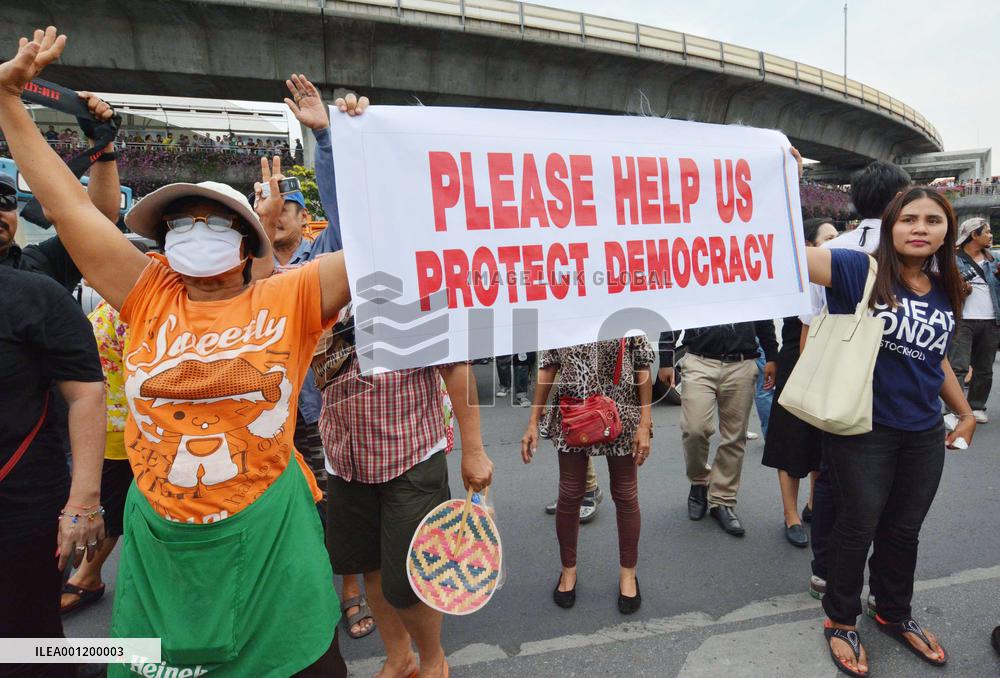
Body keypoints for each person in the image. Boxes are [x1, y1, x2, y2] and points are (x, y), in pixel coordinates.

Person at [0, 28, 362, 676]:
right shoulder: (147, 292)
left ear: (246, 242)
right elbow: (67, 206)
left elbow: (381, 241)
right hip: (164, 547)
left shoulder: (290, 295)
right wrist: (8, 103)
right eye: (179, 223)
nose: (195, 233)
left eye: (213, 221)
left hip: (271, 540)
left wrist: (347, 144)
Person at [286, 73, 494, 677]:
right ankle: (398, 657)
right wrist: (329, 139)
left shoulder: (418, 269)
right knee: (369, 566)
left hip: (409, 453)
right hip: (345, 457)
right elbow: (342, 205)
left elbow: (454, 364)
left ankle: (433, 660)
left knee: (408, 579)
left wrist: (474, 448)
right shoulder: (316, 267)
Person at [805, 186, 974, 677]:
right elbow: (779, 254)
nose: (920, 228)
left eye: (933, 221)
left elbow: (935, 357)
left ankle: (893, 611)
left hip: (923, 431)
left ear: (947, 231)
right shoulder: (858, 269)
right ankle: (840, 619)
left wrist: (963, 411)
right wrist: (781, 180)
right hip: (862, 428)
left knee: (904, 530)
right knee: (856, 526)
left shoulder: (946, 288)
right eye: (909, 219)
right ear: (889, 225)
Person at [802, 159, 912, 602]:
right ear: (899, 198)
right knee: (893, 488)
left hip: (841, 377)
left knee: (832, 479)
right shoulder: (914, 249)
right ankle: (881, 585)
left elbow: (811, 317)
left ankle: (825, 571)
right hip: (900, 381)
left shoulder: (834, 247)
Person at [0, 264, 107, 678]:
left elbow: (85, 393)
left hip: (22, 500)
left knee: (25, 640)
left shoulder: (33, 294)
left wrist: (84, 502)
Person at [521, 337, 653, 613]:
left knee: (626, 494)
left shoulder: (626, 313)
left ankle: (628, 574)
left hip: (622, 413)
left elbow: (642, 365)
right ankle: (568, 571)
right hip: (573, 412)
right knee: (570, 494)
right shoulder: (562, 315)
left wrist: (645, 423)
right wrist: (533, 420)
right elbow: (548, 366)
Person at [60, 295, 144, 616]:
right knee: (111, 501)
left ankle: (88, 576)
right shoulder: (113, 304)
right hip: (104, 422)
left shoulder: (131, 310)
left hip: (121, 427)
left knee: (107, 505)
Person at [761, 217, 838, 548]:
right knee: (791, 440)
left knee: (823, 441)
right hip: (796, 361)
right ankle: (790, 514)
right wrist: (772, 358)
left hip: (832, 364)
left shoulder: (845, 276)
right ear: (809, 246)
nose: (835, 243)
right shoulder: (794, 278)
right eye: (828, 238)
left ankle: (814, 505)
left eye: (837, 236)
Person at [659, 322, 777, 536]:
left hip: (742, 363)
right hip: (699, 361)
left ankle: (723, 499)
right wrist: (666, 359)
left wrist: (772, 356)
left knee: (735, 436)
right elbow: (675, 311)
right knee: (694, 429)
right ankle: (699, 481)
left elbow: (763, 315)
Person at [945, 217, 999, 425]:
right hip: (963, 319)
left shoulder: (994, 260)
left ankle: (976, 407)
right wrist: (960, 290)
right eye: (986, 231)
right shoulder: (953, 260)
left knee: (984, 369)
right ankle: (953, 410)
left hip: (991, 320)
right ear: (974, 235)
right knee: (958, 367)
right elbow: (944, 287)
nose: (990, 235)